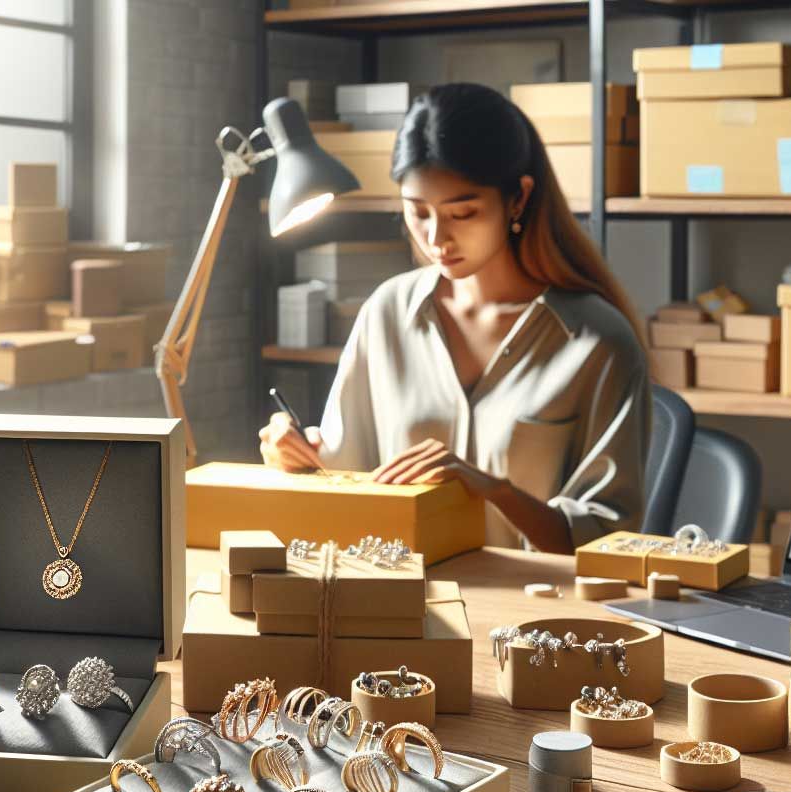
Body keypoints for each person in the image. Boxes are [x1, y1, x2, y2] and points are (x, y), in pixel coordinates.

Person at [258, 83, 650, 554]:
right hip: (398, 605)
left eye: (462, 213)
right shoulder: (386, 314)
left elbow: (610, 542)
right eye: (417, 211)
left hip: (533, 617)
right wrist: (293, 452)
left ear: (518, 199)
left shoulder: (597, 343)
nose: (436, 238)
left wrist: (494, 490)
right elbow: (344, 479)